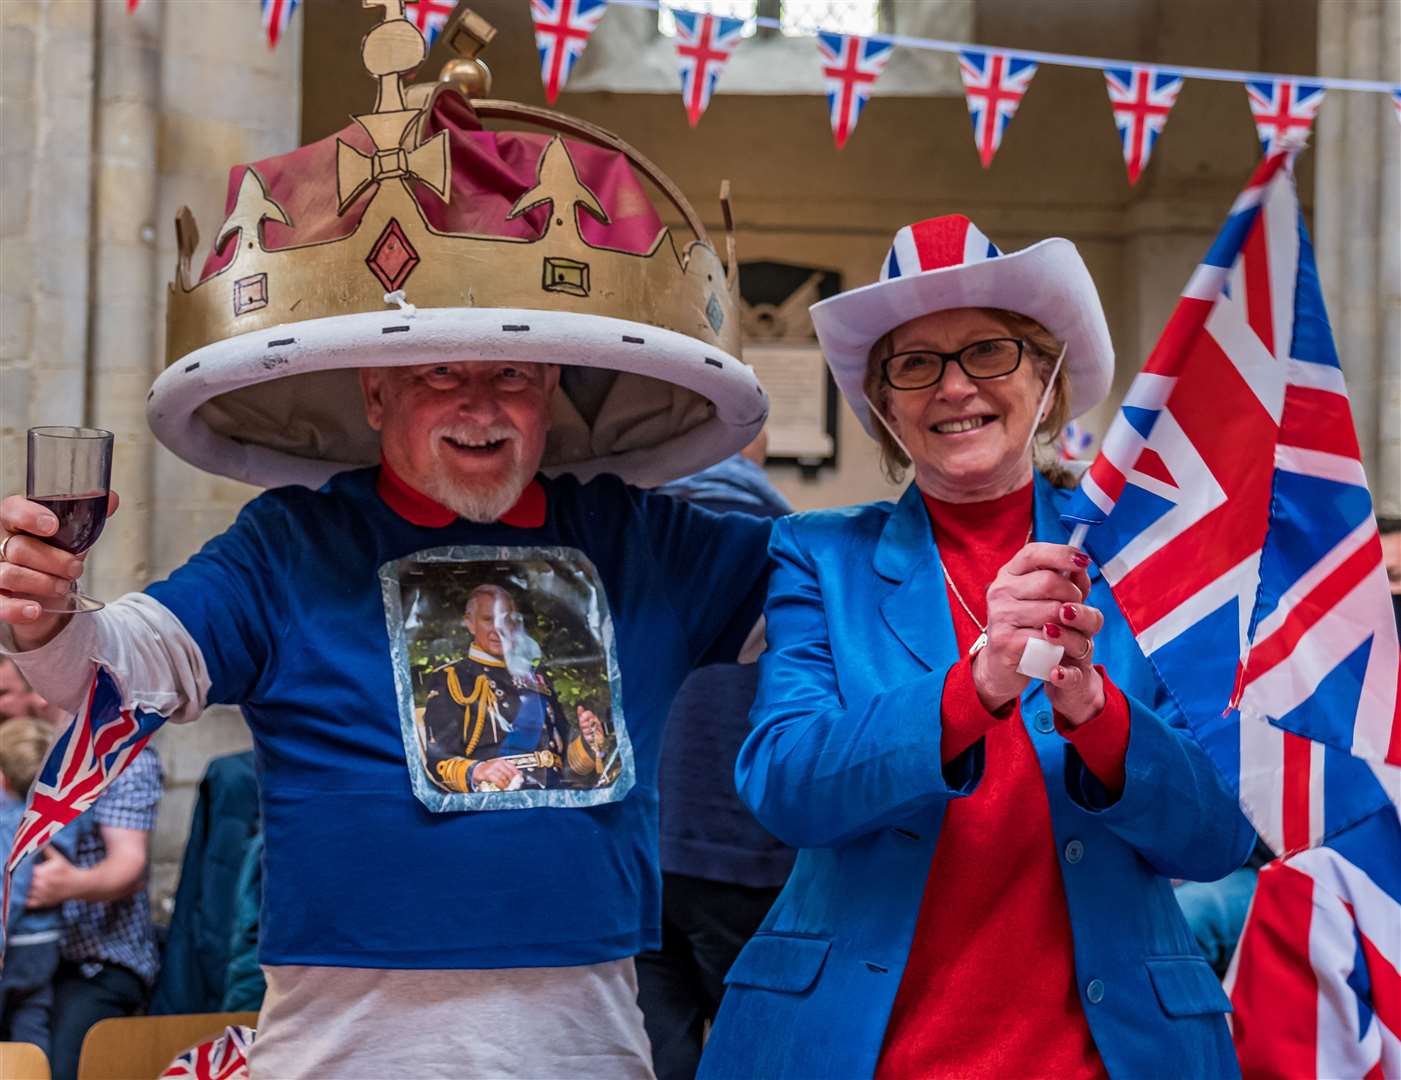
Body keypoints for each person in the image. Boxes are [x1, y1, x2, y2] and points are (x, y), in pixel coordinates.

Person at [0, 11, 771, 1078]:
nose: (480, 404)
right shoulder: (292, 545)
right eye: (437, 374)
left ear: (552, 387)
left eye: (512, 372)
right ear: (374, 389)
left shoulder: (640, 541)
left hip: (587, 1049)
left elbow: (829, 600)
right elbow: (134, 659)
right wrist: (48, 619)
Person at [700, 215, 1256, 1080]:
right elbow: (786, 788)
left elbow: (1219, 835)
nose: (953, 387)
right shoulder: (818, 555)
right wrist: (974, 688)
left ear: (1045, 378)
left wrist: (1100, 716)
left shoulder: (1144, 562)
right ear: (885, 407)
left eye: (989, 352)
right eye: (914, 364)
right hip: (859, 1051)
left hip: (1105, 1057)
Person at [636, 437, 795, 1080]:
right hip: (744, 850)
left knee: (655, 1056)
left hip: (638, 848)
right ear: (752, 444)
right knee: (755, 1054)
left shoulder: (623, 538)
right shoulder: (787, 549)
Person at [31, 745, 161, 1080]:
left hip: (97, 963)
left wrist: (68, 885)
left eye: (5, 692)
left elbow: (129, 866)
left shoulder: (117, 752)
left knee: (57, 1064)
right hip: (26, 960)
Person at [421, 584, 607, 793]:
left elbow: (563, 762)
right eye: (488, 619)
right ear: (470, 623)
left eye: (506, 619)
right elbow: (439, 759)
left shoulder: (537, 677)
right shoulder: (453, 678)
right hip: (497, 800)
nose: (498, 628)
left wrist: (587, 743)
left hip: (554, 795)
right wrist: (478, 770)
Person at [0, 717, 76, 1058]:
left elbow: (9, 891)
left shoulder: (7, 825)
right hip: (46, 946)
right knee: (32, 1023)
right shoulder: (58, 820)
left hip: (14, 947)